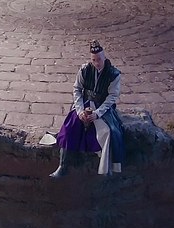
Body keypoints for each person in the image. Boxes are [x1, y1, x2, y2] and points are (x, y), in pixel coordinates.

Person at [50, 40, 124, 177]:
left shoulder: (114, 74)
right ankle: (63, 165)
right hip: (84, 104)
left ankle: (106, 168)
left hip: (102, 107)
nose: (97, 63)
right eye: (93, 60)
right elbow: (77, 89)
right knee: (70, 127)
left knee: (109, 132)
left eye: (99, 59)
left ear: (104, 57)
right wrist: (79, 111)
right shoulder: (84, 70)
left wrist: (98, 113)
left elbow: (112, 96)